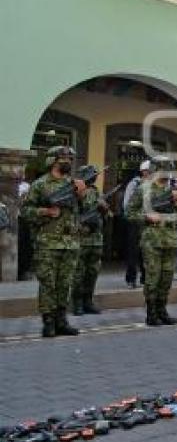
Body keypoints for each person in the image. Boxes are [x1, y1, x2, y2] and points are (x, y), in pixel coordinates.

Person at [21, 145, 85, 338]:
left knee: (65, 284)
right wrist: (46, 211)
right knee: (48, 284)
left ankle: (61, 320)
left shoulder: (74, 184)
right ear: (53, 161)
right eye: (63, 159)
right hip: (48, 243)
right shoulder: (40, 184)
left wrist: (82, 196)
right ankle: (48, 322)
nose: (67, 162)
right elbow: (25, 211)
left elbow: (83, 211)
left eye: (70, 159)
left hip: (70, 242)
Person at [126, 156, 177, 326]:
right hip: (152, 240)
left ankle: (162, 310)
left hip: (171, 239)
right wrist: (146, 217)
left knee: (166, 278)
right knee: (153, 277)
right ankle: (151, 313)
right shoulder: (143, 188)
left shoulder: (174, 189)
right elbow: (129, 213)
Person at [71, 165, 108, 316]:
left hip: (96, 239)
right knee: (79, 273)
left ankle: (88, 301)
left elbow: (104, 215)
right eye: (92, 175)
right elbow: (74, 212)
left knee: (92, 273)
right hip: (82, 238)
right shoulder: (75, 190)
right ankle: (77, 303)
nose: (95, 177)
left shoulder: (96, 191)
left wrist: (104, 208)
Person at [122, 160, 150, 288]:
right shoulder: (134, 184)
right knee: (133, 251)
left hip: (148, 223)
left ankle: (145, 277)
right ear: (143, 171)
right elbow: (127, 205)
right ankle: (131, 279)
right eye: (148, 171)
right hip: (134, 222)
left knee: (146, 251)